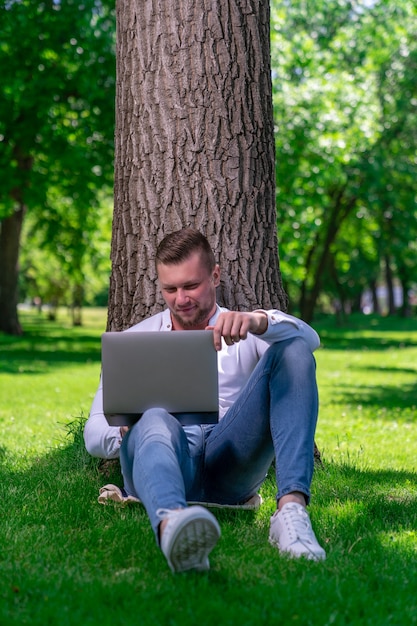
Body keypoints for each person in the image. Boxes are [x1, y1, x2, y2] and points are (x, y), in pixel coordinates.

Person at [84, 227, 326, 573]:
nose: (181, 298)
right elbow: (93, 434)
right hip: (163, 457)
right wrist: (126, 431)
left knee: (295, 351)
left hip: (229, 463)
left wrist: (259, 321)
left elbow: (309, 340)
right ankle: (173, 530)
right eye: (170, 289)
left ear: (215, 275)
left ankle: (291, 512)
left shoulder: (243, 328)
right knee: (153, 416)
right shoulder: (136, 340)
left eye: (191, 286)